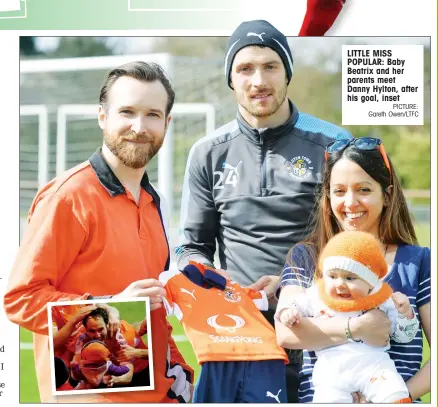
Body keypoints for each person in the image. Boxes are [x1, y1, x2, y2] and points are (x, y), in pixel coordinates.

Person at [176, 19, 352, 402]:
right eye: (245, 69)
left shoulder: (334, 142)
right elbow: (191, 245)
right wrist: (212, 279)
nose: (258, 80)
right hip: (240, 332)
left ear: (287, 72)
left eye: (270, 66)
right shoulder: (208, 152)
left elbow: (358, 242)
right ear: (231, 79)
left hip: (324, 326)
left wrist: (295, 284)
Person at [4, 61, 193, 403]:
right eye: (127, 112)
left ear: (166, 123)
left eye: (152, 114)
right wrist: (109, 306)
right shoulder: (67, 197)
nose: (139, 126)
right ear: (102, 117)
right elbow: (20, 299)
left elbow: (149, 312)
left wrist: (178, 375)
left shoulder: (154, 203)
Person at [275, 137, 431, 403]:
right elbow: (287, 332)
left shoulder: (418, 261)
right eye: (339, 191)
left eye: (364, 190)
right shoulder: (306, 257)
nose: (350, 202)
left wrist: (394, 397)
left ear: (388, 194)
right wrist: (356, 328)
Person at [276, 231, 419, 403]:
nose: (340, 284)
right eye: (332, 276)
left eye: (350, 278)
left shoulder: (382, 300)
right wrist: (287, 312)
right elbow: (293, 304)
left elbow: (403, 336)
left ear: (370, 282)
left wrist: (406, 314)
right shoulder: (317, 296)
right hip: (332, 371)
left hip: (373, 367)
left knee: (393, 391)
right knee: (326, 398)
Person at [159, 261, 288, 403]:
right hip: (259, 355)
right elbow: (264, 298)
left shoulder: (233, 287)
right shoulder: (173, 281)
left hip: (250, 355)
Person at [72, 307, 150, 388]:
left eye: (100, 329)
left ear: (107, 324)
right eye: (92, 331)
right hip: (111, 370)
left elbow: (128, 374)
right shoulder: (82, 335)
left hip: (140, 373)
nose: (97, 335)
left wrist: (114, 380)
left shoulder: (121, 338)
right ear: (85, 328)